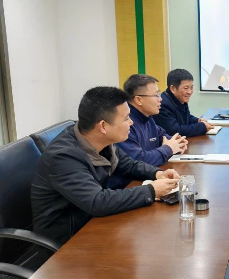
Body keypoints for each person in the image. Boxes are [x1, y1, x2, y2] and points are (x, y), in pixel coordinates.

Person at [31, 87, 181, 245]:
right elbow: (97, 202)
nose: (131, 123)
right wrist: (152, 190)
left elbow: (129, 164)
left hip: (93, 223)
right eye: (126, 118)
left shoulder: (99, 140)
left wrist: (157, 174)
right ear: (103, 126)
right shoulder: (64, 157)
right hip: (67, 242)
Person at [109, 75, 188, 189]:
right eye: (156, 95)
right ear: (138, 100)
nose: (160, 99)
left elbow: (164, 136)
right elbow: (138, 161)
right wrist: (168, 149)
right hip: (127, 187)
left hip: (146, 179)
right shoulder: (125, 124)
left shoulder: (147, 118)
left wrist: (178, 143)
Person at [155, 68, 214, 137]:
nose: (189, 92)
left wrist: (197, 120)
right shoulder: (163, 104)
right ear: (173, 88)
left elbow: (186, 117)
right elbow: (174, 131)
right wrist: (201, 127)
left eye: (191, 88)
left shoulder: (180, 98)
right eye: (186, 88)